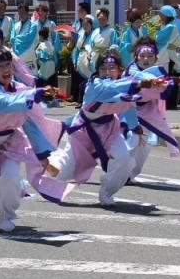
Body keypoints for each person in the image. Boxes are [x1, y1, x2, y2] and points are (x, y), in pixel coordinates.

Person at [0, 46, 65, 231]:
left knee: (10, 177)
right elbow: (7, 102)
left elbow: (28, 122)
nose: (6, 70)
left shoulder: (20, 89)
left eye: (8, 64)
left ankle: (6, 216)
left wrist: (41, 154)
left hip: (9, 141)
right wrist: (35, 94)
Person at [48, 53, 164, 206]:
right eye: (103, 69)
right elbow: (110, 89)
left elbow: (128, 108)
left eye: (112, 68)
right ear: (97, 71)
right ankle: (48, 161)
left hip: (109, 128)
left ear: (120, 70)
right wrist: (140, 83)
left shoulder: (124, 86)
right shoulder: (95, 85)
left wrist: (135, 127)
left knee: (125, 159)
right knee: (66, 171)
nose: (107, 72)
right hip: (84, 130)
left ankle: (107, 192)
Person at [122, 40, 180, 183]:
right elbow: (141, 80)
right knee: (132, 141)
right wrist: (158, 82)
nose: (146, 59)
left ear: (156, 59)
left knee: (145, 146)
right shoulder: (131, 71)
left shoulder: (157, 72)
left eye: (150, 56)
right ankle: (120, 171)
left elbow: (157, 87)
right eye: (142, 56)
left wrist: (171, 81)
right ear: (136, 57)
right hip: (127, 111)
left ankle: (130, 174)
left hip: (147, 111)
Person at [71, 16, 96, 104]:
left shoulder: (95, 35)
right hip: (80, 61)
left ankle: (88, 101)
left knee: (89, 83)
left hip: (89, 62)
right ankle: (80, 101)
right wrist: (75, 61)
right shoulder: (81, 35)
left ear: (91, 25)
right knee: (80, 82)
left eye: (87, 24)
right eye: (83, 25)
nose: (85, 26)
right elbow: (77, 49)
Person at [89, 8, 119, 72]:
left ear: (107, 19)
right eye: (99, 19)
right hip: (94, 58)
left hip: (105, 58)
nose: (101, 21)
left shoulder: (111, 31)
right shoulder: (95, 31)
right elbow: (91, 45)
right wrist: (89, 54)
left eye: (103, 19)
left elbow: (114, 46)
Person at [11, 3, 38, 73]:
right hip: (16, 55)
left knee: (31, 77)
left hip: (29, 55)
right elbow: (12, 39)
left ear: (27, 12)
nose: (21, 14)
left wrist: (16, 39)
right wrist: (15, 40)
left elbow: (29, 37)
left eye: (23, 12)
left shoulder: (33, 25)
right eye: (19, 13)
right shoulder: (15, 25)